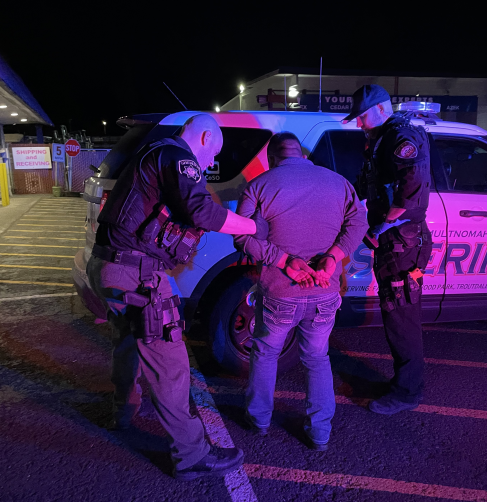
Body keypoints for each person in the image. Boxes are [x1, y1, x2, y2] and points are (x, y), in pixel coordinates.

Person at [86, 114, 269, 481]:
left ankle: (121, 410)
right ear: (203, 137)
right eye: (211, 156)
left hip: (108, 266)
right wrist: (253, 226)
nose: (208, 166)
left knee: (127, 342)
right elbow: (200, 210)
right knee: (170, 364)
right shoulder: (176, 155)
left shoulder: (149, 152)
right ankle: (191, 455)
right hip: (139, 275)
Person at [234, 132, 367, 450]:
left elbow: (241, 236)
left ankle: (259, 420)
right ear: (302, 154)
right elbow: (359, 222)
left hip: (280, 291)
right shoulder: (338, 182)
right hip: (325, 290)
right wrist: (334, 257)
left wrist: (281, 259)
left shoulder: (260, 185)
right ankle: (320, 431)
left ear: (272, 157)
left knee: (266, 353)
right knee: (317, 357)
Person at [343, 85, 433, 415]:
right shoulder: (385, 137)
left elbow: (411, 187)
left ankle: (407, 392)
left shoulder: (400, 136)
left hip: (402, 242)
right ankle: (402, 383)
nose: (359, 124)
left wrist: (381, 227)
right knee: (395, 315)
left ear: (381, 109)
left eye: (362, 116)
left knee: (402, 318)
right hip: (395, 241)